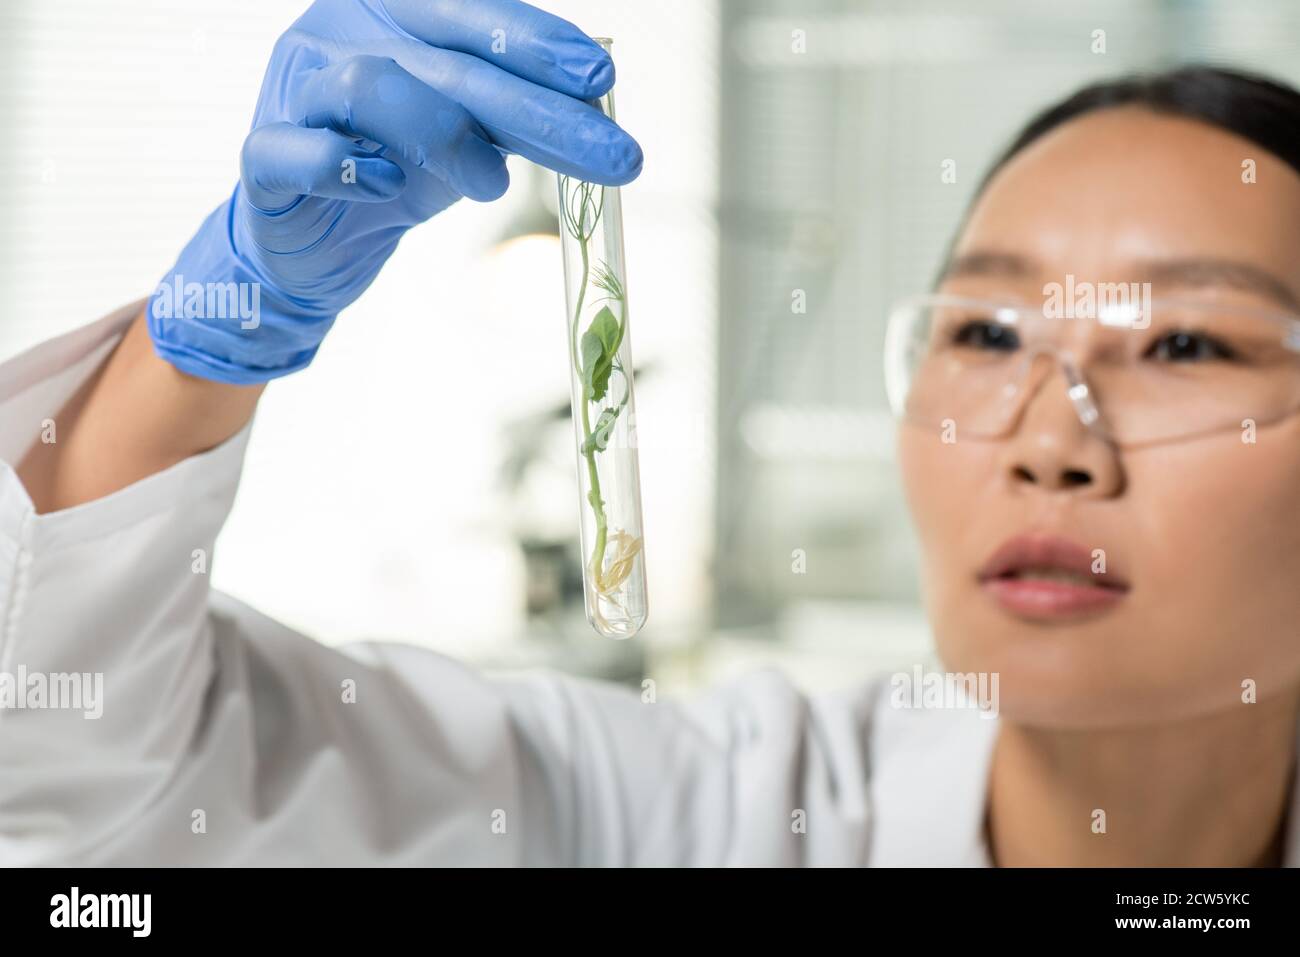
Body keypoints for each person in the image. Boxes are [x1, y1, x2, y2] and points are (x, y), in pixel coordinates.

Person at [1, 0, 1297, 866]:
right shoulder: (708, 813)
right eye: (989, 335)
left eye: (1188, 343)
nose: (1045, 442)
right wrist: (215, 336)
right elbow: (93, 775)